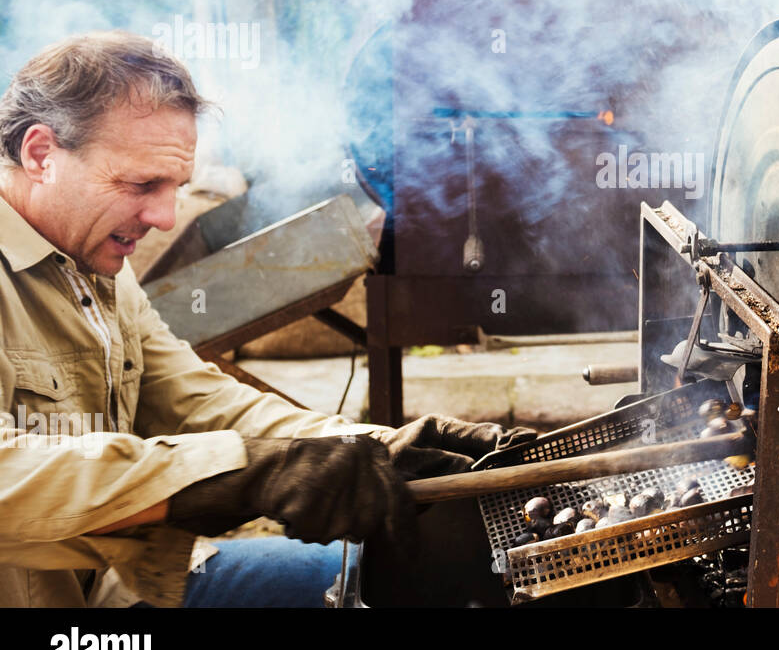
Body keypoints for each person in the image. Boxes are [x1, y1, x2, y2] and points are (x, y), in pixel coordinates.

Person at [0, 31, 529, 607]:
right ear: (40, 154)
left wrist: (376, 446)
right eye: (141, 183)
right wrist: (242, 474)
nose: (165, 216)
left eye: (174, 186)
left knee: (368, 579)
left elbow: (200, 401)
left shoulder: (96, 267)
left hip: (114, 588)